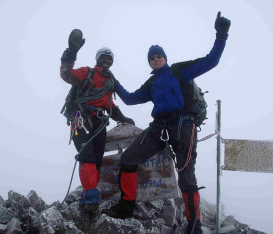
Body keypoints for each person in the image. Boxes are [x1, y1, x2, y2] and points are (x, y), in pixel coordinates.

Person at [102, 12, 231, 233]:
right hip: (158, 127)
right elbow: (131, 99)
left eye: (159, 56)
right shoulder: (152, 82)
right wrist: (114, 82)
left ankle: (194, 225)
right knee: (129, 159)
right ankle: (126, 208)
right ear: (150, 62)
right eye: (152, 58)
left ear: (165, 57)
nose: (156, 59)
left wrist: (221, 35)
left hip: (183, 125)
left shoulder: (180, 71)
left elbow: (212, 60)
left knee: (186, 176)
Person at [60, 29, 135, 215]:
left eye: (109, 59)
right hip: (82, 120)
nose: (106, 60)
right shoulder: (87, 72)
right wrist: (71, 52)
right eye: (103, 57)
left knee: (96, 161)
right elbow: (66, 75)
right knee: (87, 158)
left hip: (100, 122)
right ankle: (92, 200)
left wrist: (122, 118)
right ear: (97, 59)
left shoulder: (110, 80)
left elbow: (110, 105)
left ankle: (86, 200)